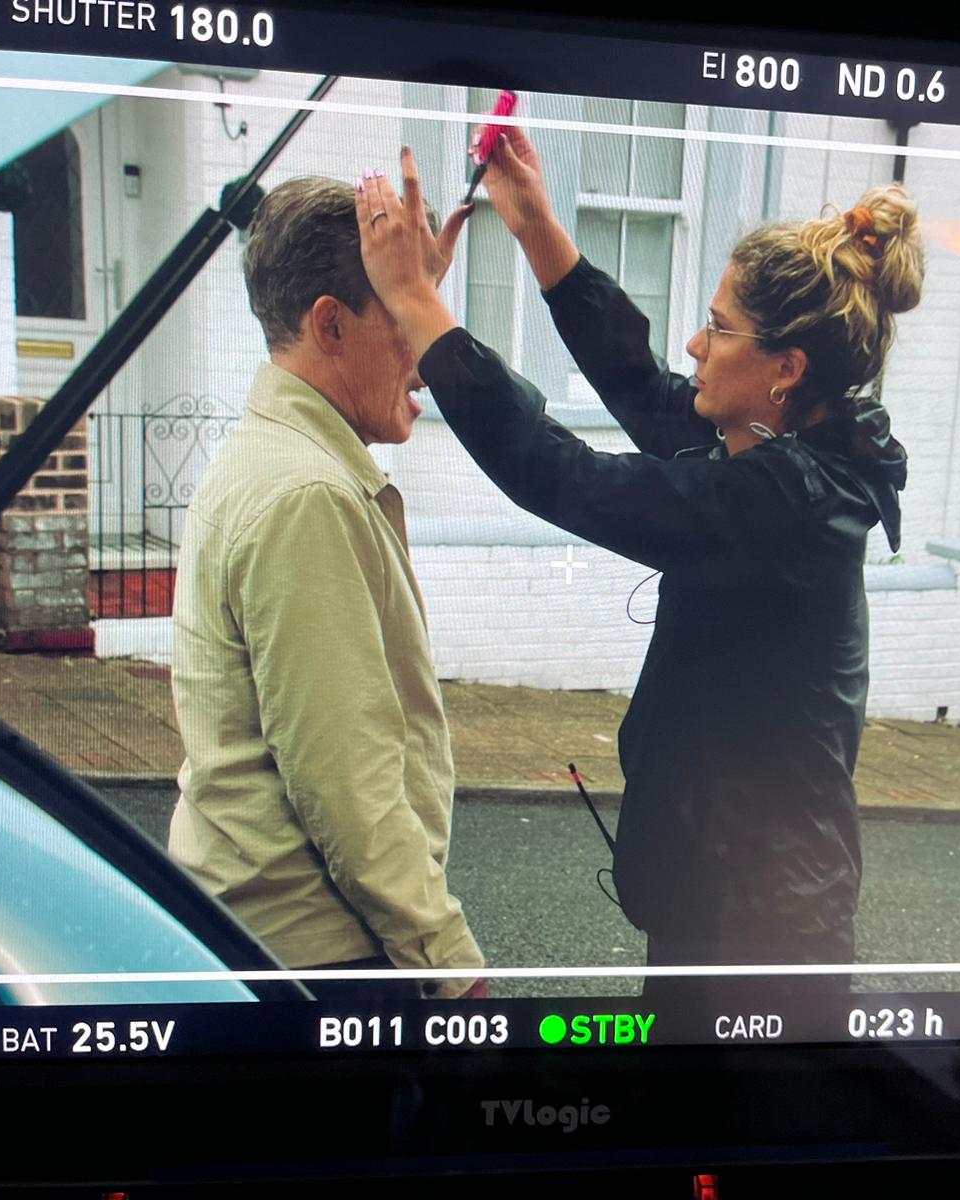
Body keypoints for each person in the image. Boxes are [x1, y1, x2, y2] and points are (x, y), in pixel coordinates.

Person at [356, 137, 922, 999]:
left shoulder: (787, 502)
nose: (697, 343)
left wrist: (414, 301)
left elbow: (565, 478)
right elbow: (636, 378)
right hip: (725, 887)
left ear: (786, 368)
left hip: (765, 927)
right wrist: (537, 225)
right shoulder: (774, 445)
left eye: (721, 327)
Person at [168, 175, 486, 1003]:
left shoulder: (272, 457)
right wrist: (448, 964)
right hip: (318, 958)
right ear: (330, 323)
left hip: (261, 932)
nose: (427, 352)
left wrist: (409, 284)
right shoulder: (308, 495)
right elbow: (348, 783)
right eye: (404, 316)